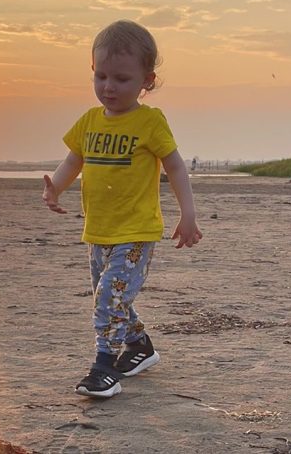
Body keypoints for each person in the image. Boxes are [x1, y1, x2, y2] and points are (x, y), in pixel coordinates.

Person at [42, 20, 203, 398]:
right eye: (101, 76)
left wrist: (188, 213)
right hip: (98, 231)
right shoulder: (89, 121)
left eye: (122, 79)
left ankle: (104, 367)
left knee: (108, 298)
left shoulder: (150, 121)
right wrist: (56, 188)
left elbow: (176, 166)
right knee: (111, 295)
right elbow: (73, 161)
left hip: (136, 232)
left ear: (146, 81)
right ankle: (140, 346)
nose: (109, 87)